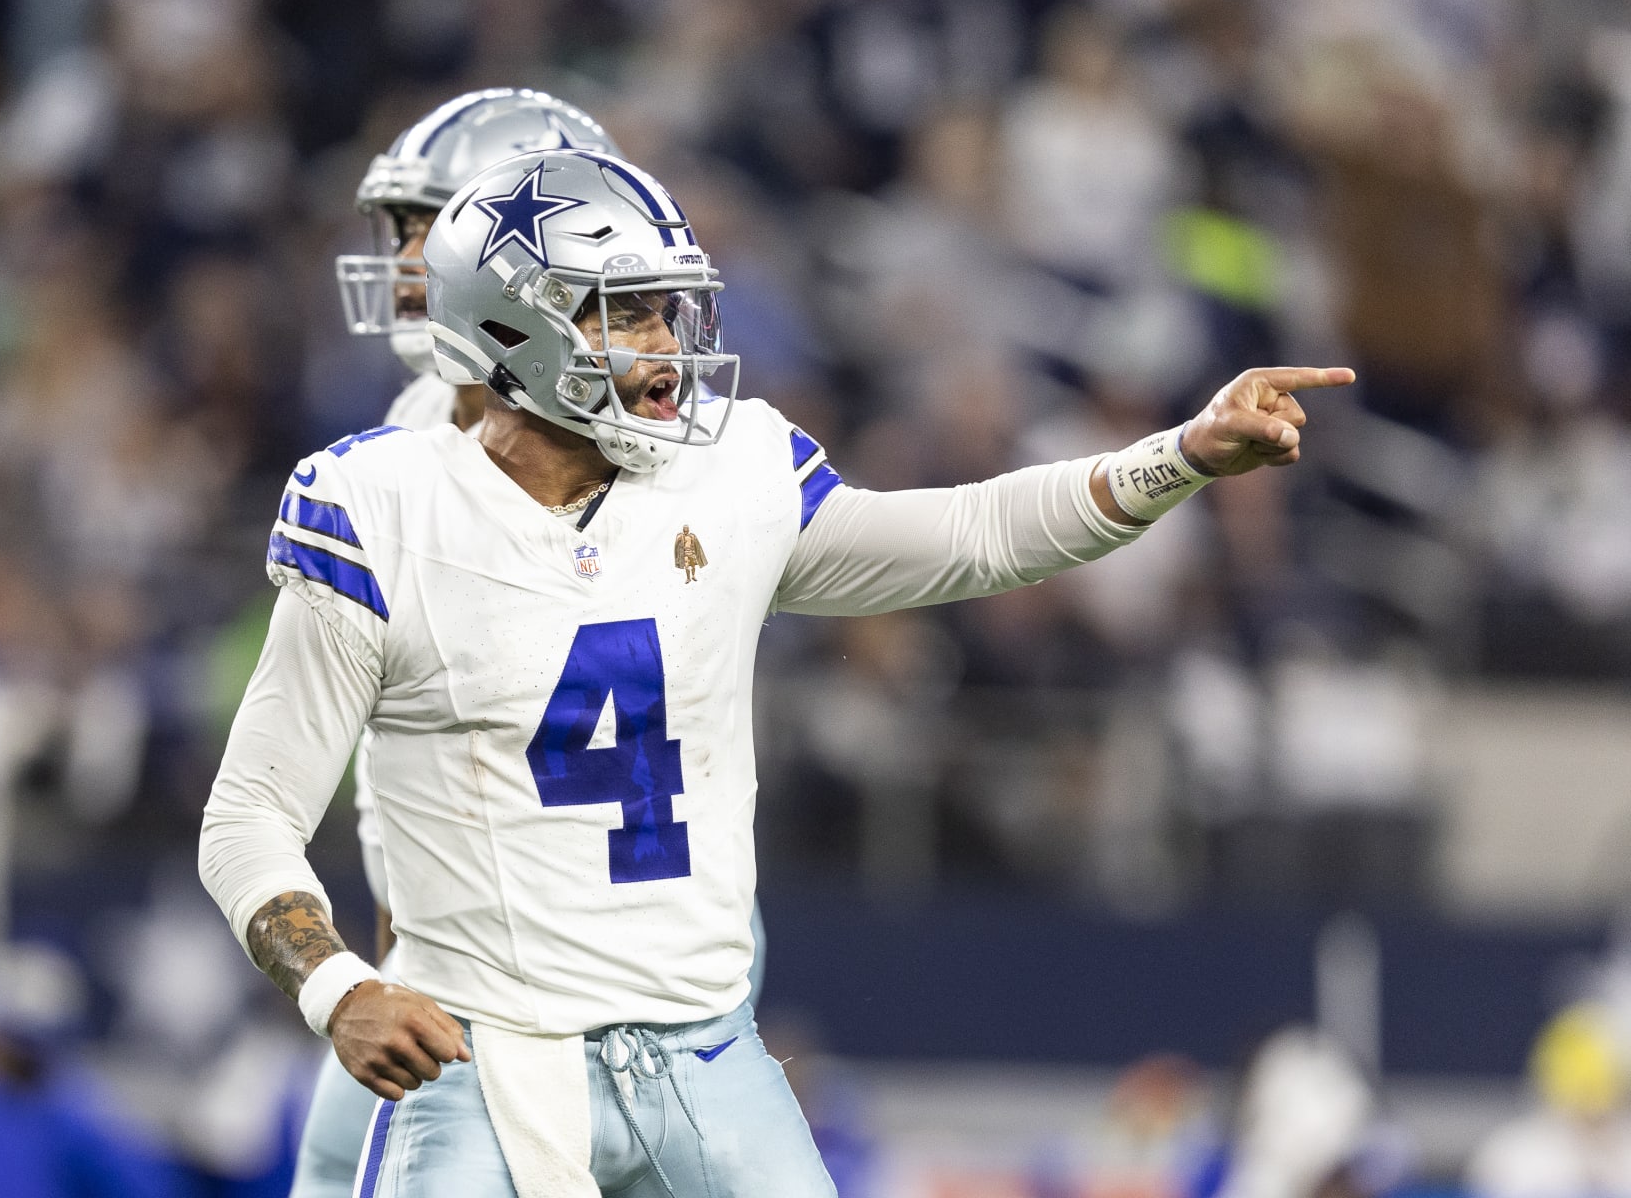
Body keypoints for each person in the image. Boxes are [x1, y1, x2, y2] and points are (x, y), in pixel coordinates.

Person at [200, 146, 1351, 1196]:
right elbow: (249, 813)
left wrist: (1181, 456)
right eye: (629, 314)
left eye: (670, 309)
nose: (671, 347)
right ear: (514, 330)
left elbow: (972, 534)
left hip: (706, 1058)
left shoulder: (733, 468)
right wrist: (339, 986)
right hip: (481, 1054)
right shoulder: (380, 508)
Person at [294, 88, 620, 1198]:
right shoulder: (412, 424)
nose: (406, 258)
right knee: (336, 1167)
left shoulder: (620, 446)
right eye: (401, 230)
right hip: (451, 938)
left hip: (586, 944)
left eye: (433, 225)